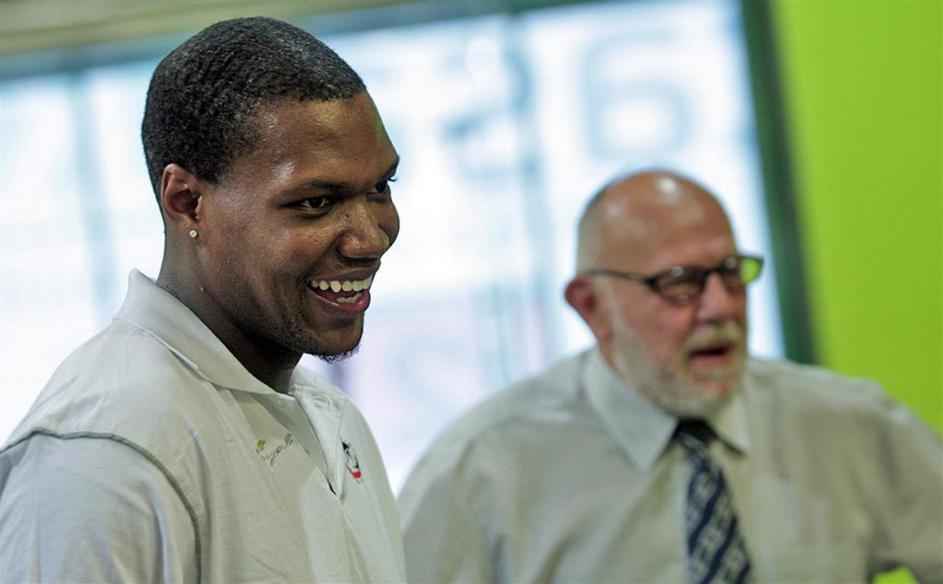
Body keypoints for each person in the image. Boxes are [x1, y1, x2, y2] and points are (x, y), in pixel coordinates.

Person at [0, 17, 405, 582]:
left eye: (380, 187)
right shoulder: (104, 455)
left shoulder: (331, 417)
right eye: (315, 202)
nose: (370, 238)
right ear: (187, 201)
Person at [398, 170, 943, 583]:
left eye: (731, 273)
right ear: (592, 306)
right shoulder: (479, 469)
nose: (720, 307)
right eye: (680, 283)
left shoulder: (850, 426)